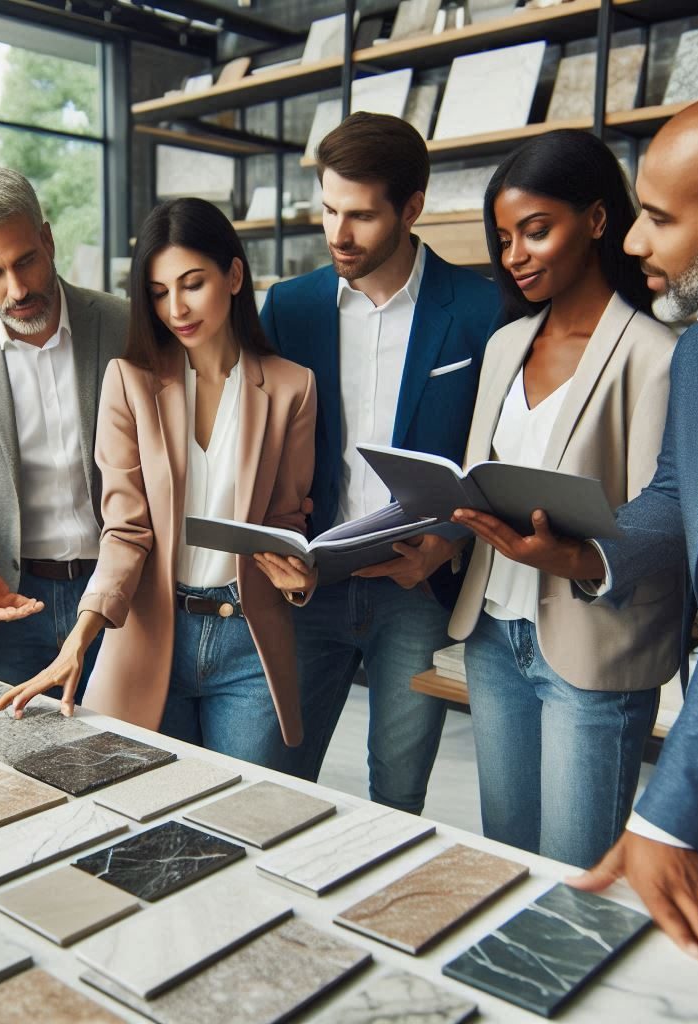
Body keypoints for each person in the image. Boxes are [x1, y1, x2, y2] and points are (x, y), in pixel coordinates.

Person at [453, 89, 698, 969]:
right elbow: (673, 496)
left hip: (656, 674)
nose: (633, 238)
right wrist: (585, 552)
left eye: (657, 217)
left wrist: (669, 812)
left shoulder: (663, 346)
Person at [410, 130, 679, 869]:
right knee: (508, 860)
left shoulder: (656, 354)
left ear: (597, 220)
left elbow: (669, 511)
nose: (515, 255)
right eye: (504, 239)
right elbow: (479, 478)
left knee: (571, 877)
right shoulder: (506, 345)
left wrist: (573, 553)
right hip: (495, 635)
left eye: (536, 231)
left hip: (591, 647)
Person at [0, 198, 317, 769]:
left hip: (249, 644)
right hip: (150, 632)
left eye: (192, 284)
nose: (177, 308)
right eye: (160, 292)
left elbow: (287, 523)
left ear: (234, 275)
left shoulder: (293, 388)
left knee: (243, 814)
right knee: (147, 816)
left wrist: (297, 578)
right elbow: (125, 531)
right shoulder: (130, 382)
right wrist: (79, 639)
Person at [259, 112, 500, 810]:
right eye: (330, 210)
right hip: (311, 585)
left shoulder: (482, 310)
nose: (338, 234)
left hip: (416, 592)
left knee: (398, 794)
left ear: (412, 208)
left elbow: (495, 455)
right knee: (277, 780)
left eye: (361, 215)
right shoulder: (290, 307)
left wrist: (448, 543)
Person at [0, 166, 128, 687]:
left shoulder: (125, 325)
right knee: (9, 765)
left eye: (26, 261)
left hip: (120, 594)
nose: (16, 290)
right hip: (11, 607)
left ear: (48, 238)